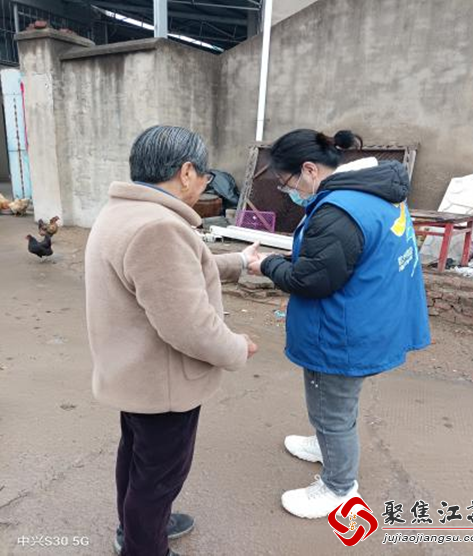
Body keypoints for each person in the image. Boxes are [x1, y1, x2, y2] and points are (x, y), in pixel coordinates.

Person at [85, 125, 259, 556]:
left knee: (137, 460)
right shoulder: (159, 227)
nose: (204, 185)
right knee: (158, 479)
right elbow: (189, 326)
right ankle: (144, 545)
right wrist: (236, 348)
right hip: (163, 385)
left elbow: (175, 274)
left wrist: (239, 261)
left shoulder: (124, 212)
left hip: (134, 373)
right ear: (186, 172)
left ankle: (135, 529)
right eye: (205, 177)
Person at [248, 128, 430, 519]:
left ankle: (338, 487)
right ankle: (324, 444)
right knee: (337, 402)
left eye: (286, 183)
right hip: (371, 316)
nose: (288, 191)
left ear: (309, 169)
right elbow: (335, 261)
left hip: (344, 330)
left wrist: (265, 264)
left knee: (331, 409)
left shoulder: (339, 210)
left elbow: (311, 280)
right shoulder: (375, 191)